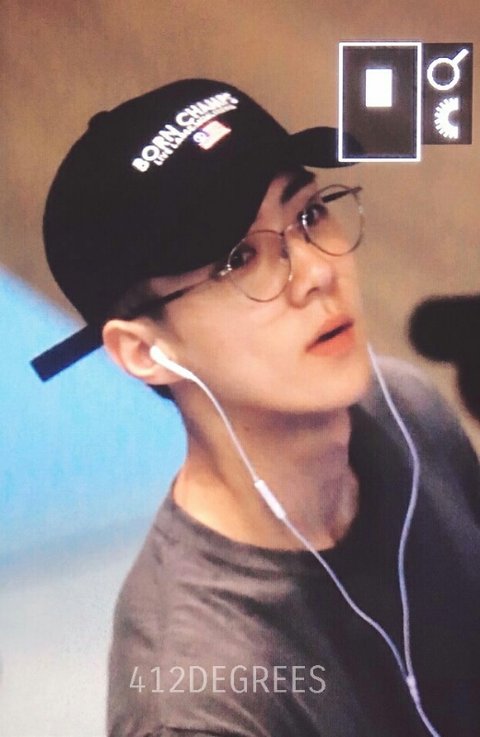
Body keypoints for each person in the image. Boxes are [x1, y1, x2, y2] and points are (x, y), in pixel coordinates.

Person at [32, 79, 480, 737]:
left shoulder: (405, 407)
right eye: (239, 259)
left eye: (309, 215)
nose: (317, 272)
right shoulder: (198, 704)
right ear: (145, 352)